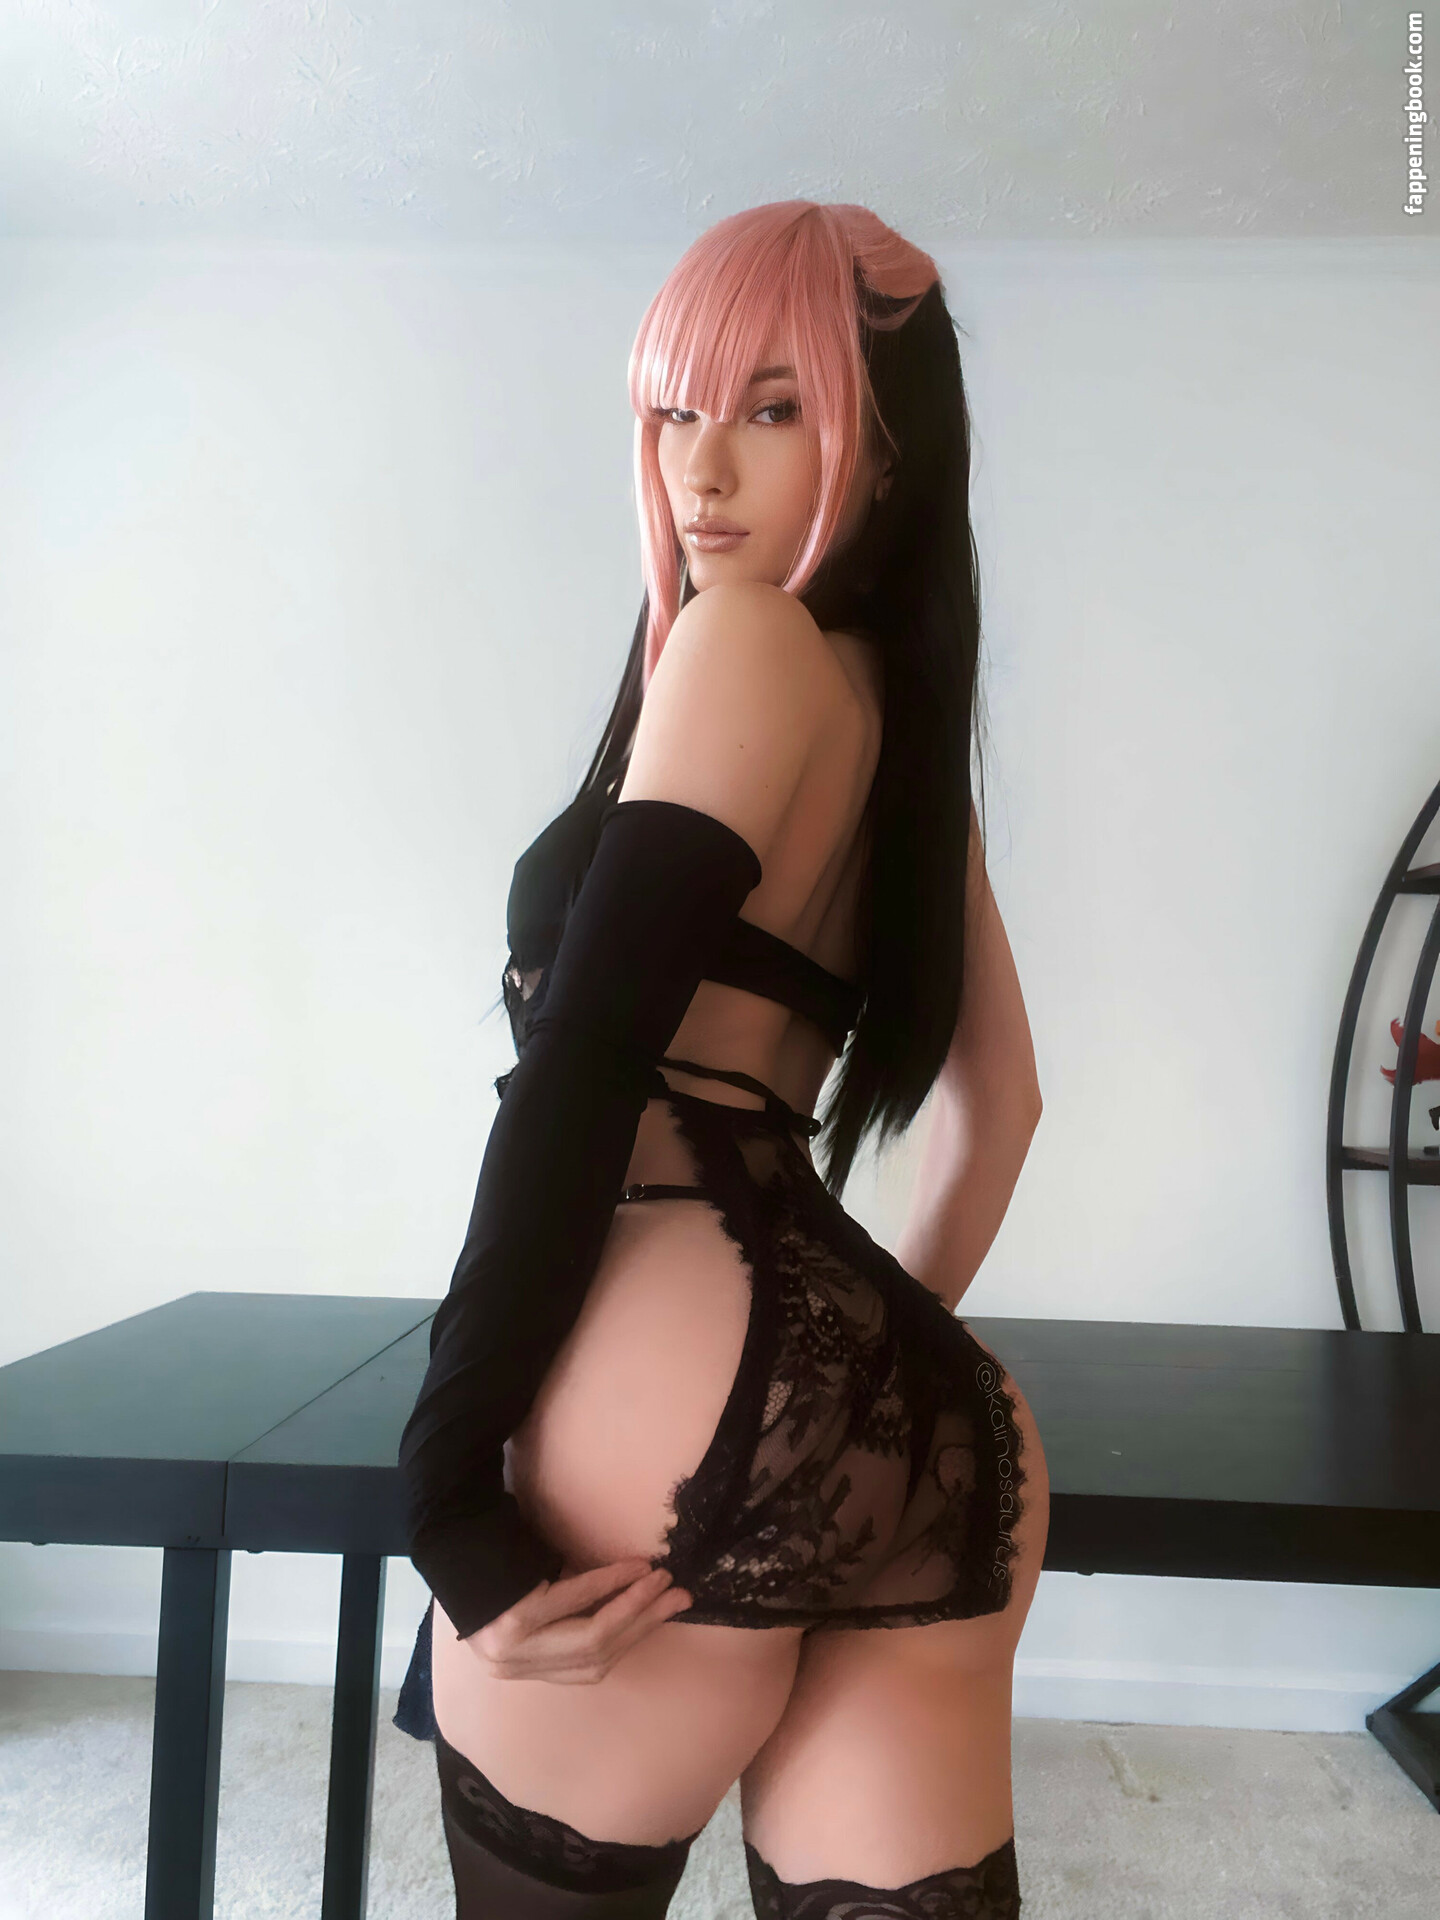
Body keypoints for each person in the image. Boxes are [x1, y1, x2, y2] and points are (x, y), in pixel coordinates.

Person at [394, 200, 1049, 1919]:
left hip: (669, 1353)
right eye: (677, 408)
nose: (701, 465)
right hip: (908, 1399)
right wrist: (856, 1388)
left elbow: (589, 1060)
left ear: (886, 448)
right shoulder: (906, 744)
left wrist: (444, 1487)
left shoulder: (740, 638)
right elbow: (1004, 1110)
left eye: (772, 408)